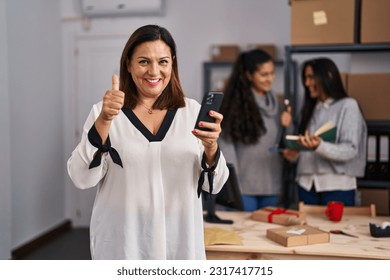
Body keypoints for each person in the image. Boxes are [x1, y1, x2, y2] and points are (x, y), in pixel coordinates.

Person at [67, 24, 229, 260]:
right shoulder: (106, 113)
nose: (154, 71)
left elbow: (214, 186)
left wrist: (212, 147)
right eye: (144, 61)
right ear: (129, 65)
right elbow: (81, 177)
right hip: (124, 244)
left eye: (163, 61)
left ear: (172, 64)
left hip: (179, 243)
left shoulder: (191, 111)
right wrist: (104, 120)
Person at [283, 57, 367, 206]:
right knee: (307, 230)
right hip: (306, 185)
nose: (307, 83)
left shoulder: (348, 106)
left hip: (336, 186)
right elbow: (307, 147)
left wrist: (319, 146)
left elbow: (350, 149)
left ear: (328, 76)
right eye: (305, 78)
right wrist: (295, 155)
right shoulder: (309, 109)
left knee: (335, 230)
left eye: (311, 77)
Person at [218, 49, 292, 212]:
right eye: (264, 74)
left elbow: (283, 146)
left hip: (271, 186)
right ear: (249, 75)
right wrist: (234, 186)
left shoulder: (278, 106)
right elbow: (227, 149)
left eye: (272, 73)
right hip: (244, 189)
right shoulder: (234, 106)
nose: (270, 79)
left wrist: (287, 125)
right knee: (245, 236)